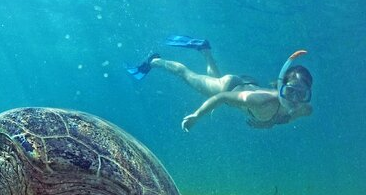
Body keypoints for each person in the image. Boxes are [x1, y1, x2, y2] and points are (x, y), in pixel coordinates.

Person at [127, 35, 313, 132]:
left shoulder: (303, 109)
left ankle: (205, 50)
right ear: (281, 87)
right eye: (290, 91)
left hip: (244, 84)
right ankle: (154, 61)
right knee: (186, 75)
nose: (295, 99)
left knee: (212, 78)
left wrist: (269, 124)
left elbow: (286, 118)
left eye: (301, 94)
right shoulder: (261, 101)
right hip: (228, 88)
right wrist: (196, 115)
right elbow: (222, 97)